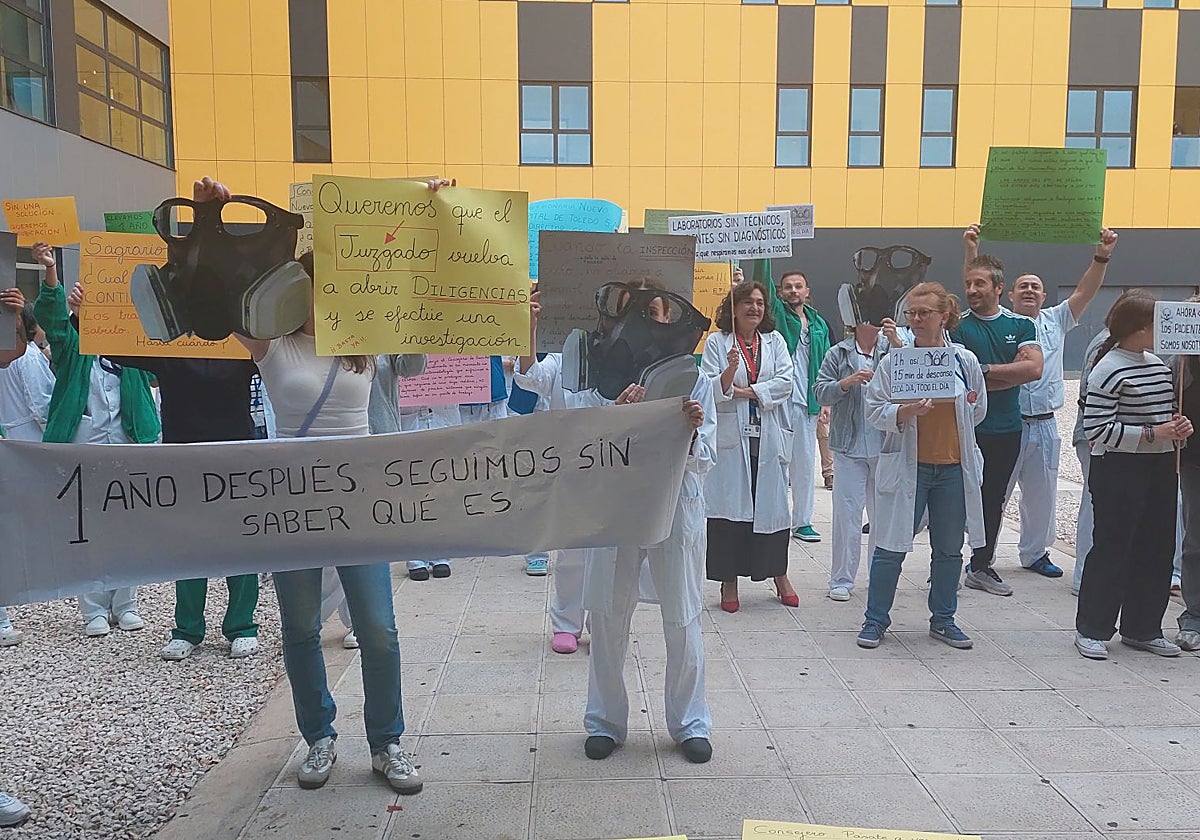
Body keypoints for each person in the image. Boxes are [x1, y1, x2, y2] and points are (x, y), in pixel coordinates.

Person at [206, 174, 427, 794]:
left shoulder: (365, 347)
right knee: (300, 629)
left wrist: (422, 207)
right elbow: (223, 292)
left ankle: (387, 743)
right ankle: (319, 736)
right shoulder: (270, 347)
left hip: (359, 505)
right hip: (293, 506)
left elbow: (406, 282)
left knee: (379, 630)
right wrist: (212, 219)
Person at [964, 224, 1117, 579]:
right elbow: (974, 283)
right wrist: (973, 250)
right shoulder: (1004, 323)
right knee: (993, 494)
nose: (1030, 291)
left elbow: (1086, 291)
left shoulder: (1056, 320)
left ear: (1045, 296)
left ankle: (1034, 553)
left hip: (1046, 422)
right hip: (1005, 422)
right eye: (1023, 286)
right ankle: (980, 556)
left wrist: (1102, 255)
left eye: (1036, 287)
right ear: (1008, 295)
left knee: (1041, 495)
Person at [102, 334, 265, 661]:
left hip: (234, 457)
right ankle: (188, 629)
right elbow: (114, 344)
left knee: (241, 542)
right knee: (189, 545)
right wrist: (84, 315)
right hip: (183, 459)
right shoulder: (167, 346)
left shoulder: (244, 345)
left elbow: (282, 353)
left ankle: (243, 625)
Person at [583, 378, 716, 765]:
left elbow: (706, 456)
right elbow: (583, 440)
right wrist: (617, 417)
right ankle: (604, 721)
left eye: (660, 312)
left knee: (683, 615)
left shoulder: (696, 378)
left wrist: (691, 433)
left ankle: (691, 722)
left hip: (674, 503)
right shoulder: (603, 373)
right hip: (616, 504)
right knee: (607, 614)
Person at [32, 242, 160, 637]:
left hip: (127, 443)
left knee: (129, 526)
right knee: (86, 526)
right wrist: (53, 276)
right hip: (83, 445)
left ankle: (126, 603)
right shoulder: (72, 348)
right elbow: (52, 322)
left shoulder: (132, 352)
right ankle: (93, 609)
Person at [857, 283, 987, 650]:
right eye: (911, 313)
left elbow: (978, 410)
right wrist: (903, 411)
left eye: (923, 313)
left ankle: (943, 620)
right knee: (890, 546)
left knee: (948, 550)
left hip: (952, 469)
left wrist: (961, 405)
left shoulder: (964, 361)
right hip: (908, 467)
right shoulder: (895, 363)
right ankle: (875, 620)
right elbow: (873, 408)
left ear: (944, 316)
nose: (915, 320)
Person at [1076, 291, 1191, 659]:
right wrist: (1153, 434)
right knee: (1113, 547)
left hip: (1159, 467)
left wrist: (1177, 425)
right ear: (1140, 328)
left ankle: (1143, 627)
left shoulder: (1156, 364)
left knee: (1157, 548)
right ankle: (1093, 627)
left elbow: (1163, 413)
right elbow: (1097, 429)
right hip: (1120, 469)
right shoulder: (1108, 368)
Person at [950, 246, 1043, 597]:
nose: (972, 290)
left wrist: (983, 370)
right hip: (967, 428)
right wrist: (1008, 373)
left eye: (979, 284)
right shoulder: (957, 326)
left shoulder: (1020, 324)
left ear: (998, 288)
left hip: (1006, 428)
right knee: (955, 498)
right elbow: (954, 377)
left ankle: (981, 565)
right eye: (968, 284)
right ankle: (945, 564)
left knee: (994, 500)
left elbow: (1033, 369)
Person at [701, 281, 797, 611]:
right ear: (733, 308)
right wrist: (729, 370)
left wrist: (749, 392)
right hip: (732, 439)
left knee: (770, 507)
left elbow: (786, 381)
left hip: (768, 436)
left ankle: (778, 574)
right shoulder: (717, 343)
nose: (754, 308)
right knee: (730, 509)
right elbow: (709, 388)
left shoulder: (774, 341)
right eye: (747, 302)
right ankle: (729, 582)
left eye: (759, 302)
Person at [514, 292, 588, 654]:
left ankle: (604, 620)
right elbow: (529, 376)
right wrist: (530, 328)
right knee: (572, 552)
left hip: (615, 467)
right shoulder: (561, 358)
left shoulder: (625, 357)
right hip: (570, 468)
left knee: (610, 553)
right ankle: (567, 623)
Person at [814, 318, 902, 601]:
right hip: (848, 445)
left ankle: (879, 577)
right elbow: (819, 391)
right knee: (846, 515)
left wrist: (899, 345)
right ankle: (841, 578)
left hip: (885, 443)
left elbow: (910, 382)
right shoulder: (838, 352)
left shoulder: (893, 349)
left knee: (883, 518)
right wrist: (844, 384)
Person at [771, 270, 831, 543]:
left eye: (798, 286)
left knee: (805, 464)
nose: (793, 291)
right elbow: (764, 284)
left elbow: (827, 364)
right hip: (779, 401)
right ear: (781, 292)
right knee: (777, 463)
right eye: (787, 287)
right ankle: (777, 519)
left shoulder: (818, 322)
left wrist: (825, 400)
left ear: (808, 291)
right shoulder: (778, 316)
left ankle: (803, 522)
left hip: (808, 402)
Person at [0, 303, 54, 441]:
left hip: (10, 430)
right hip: (31, 434)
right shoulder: (28, 355)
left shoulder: (7, 353)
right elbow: (40, 404)